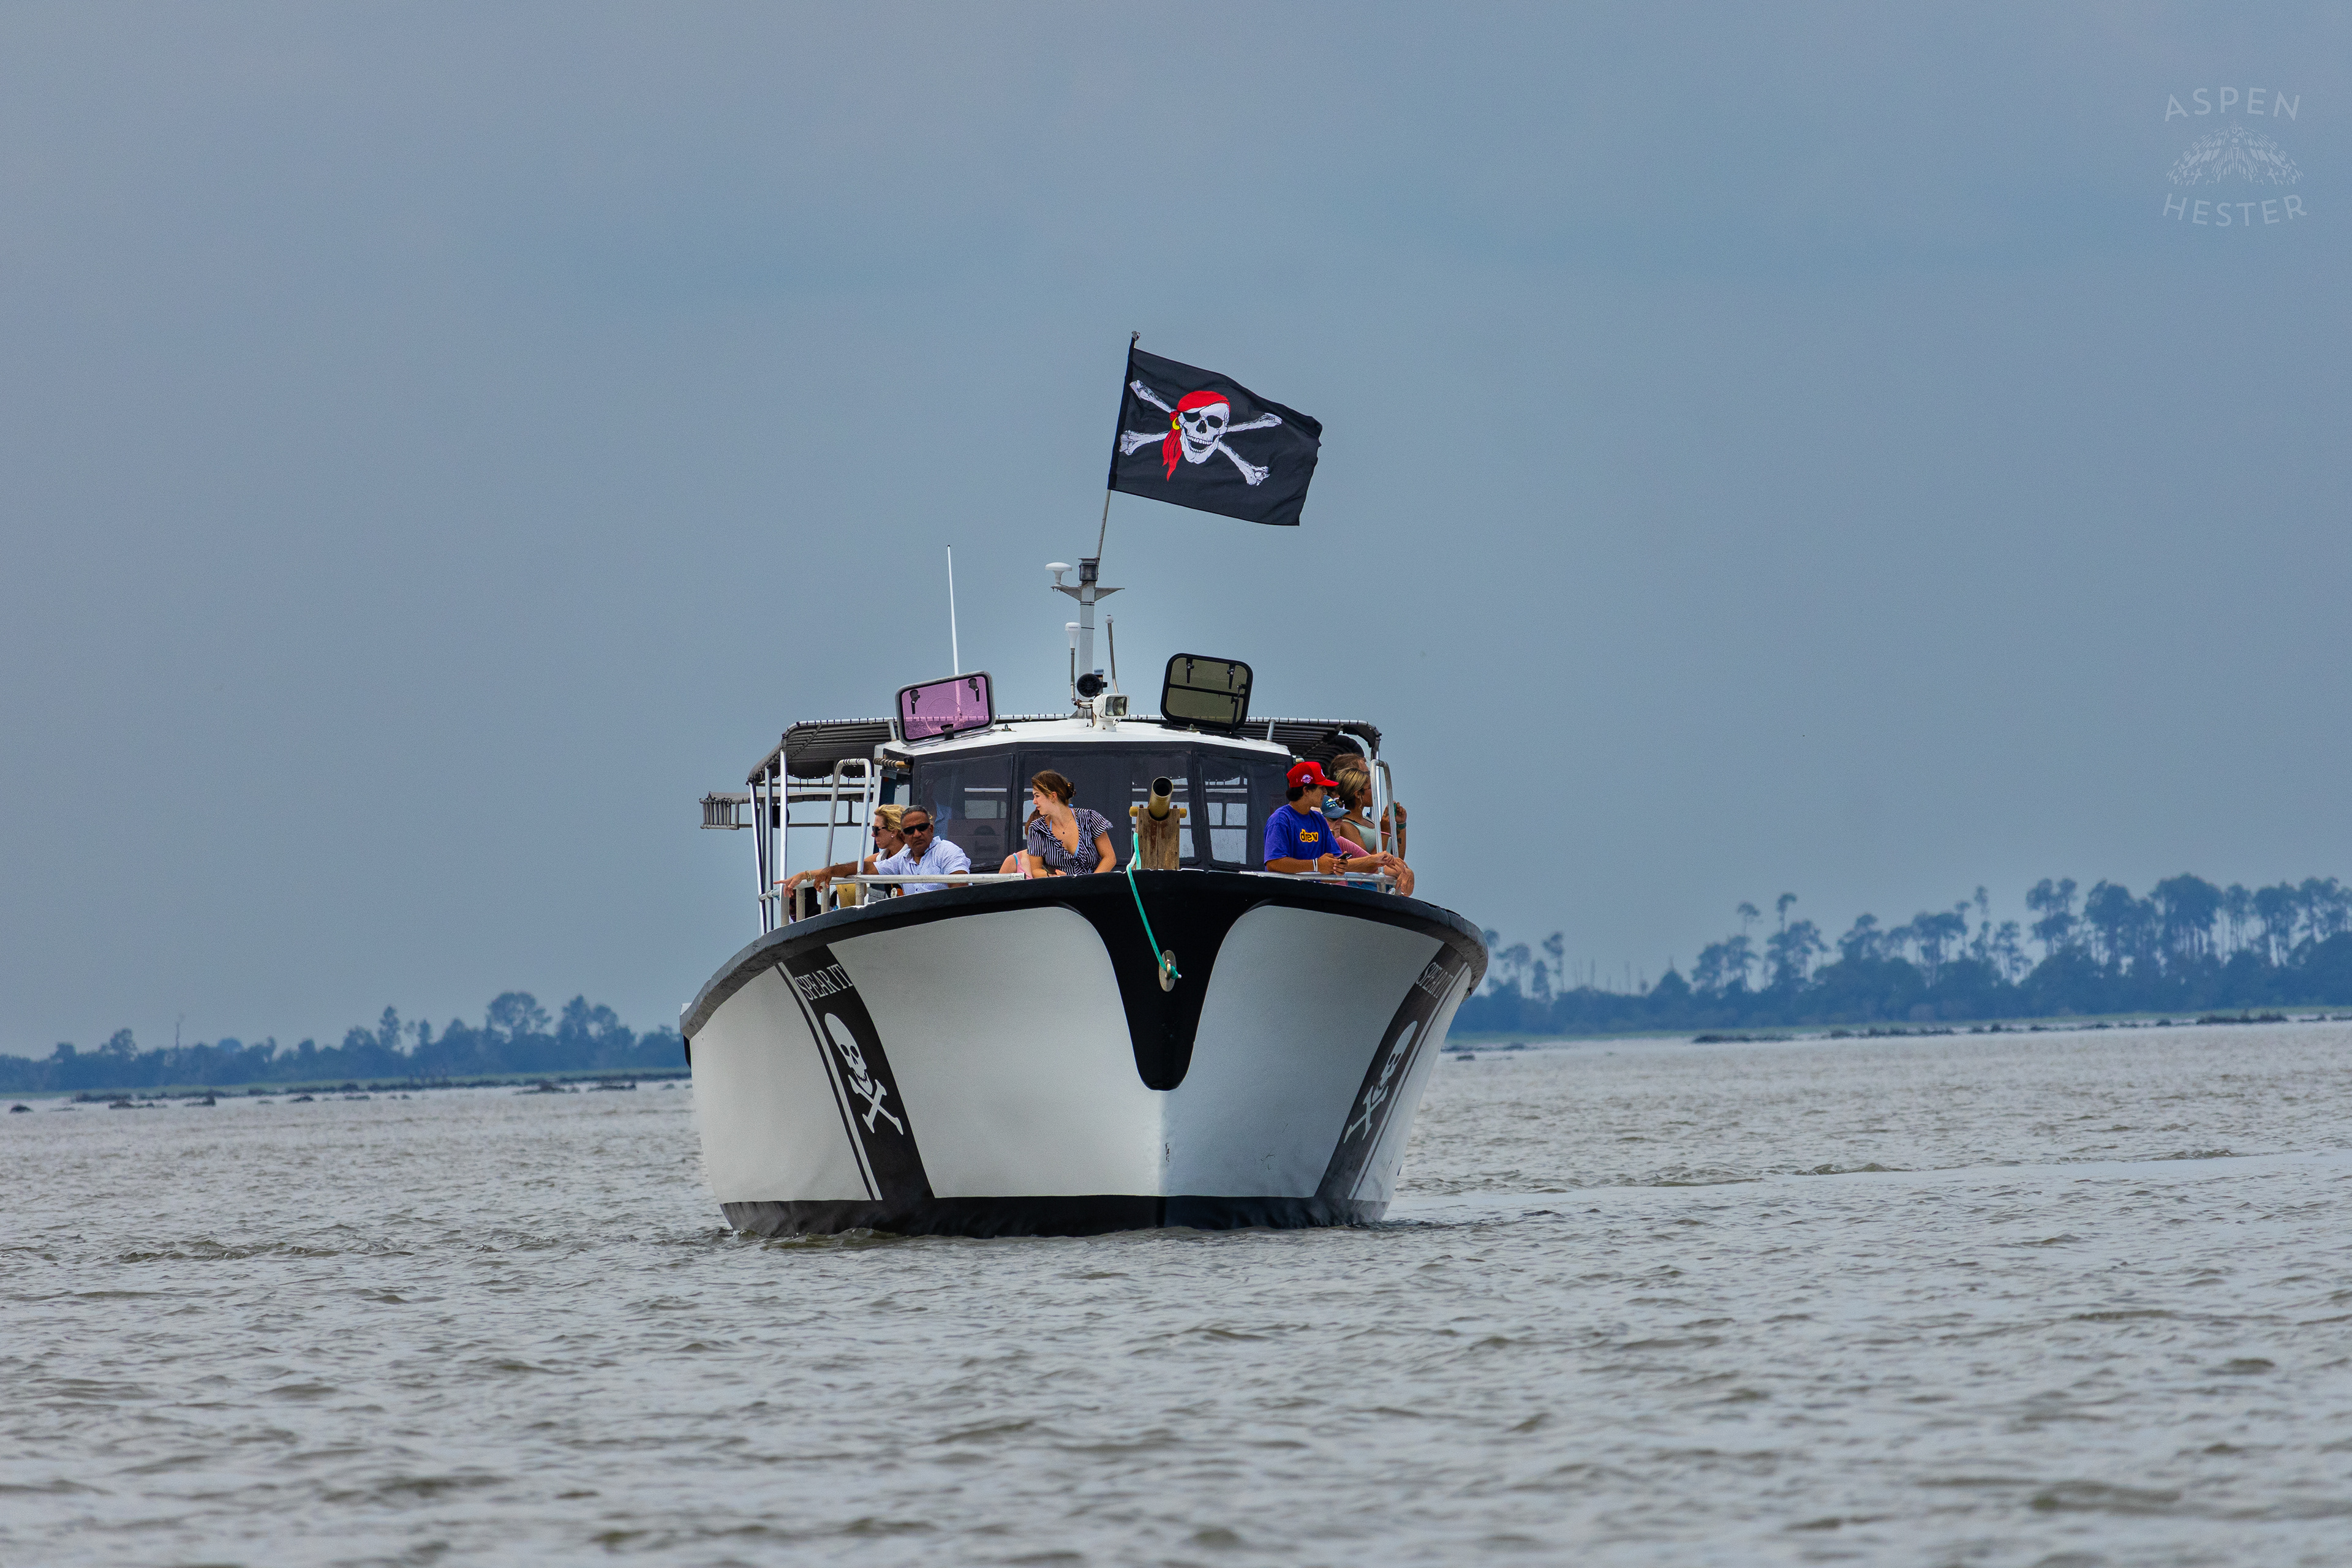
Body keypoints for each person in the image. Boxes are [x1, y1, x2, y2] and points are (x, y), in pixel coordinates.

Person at [1264, 760, 1408, 886]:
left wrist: (1341, 865)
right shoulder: (1280, 820)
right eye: (1321, 788)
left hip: (1315, 898)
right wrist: (1316, 865)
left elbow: (1334, 863)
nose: (1325, 792)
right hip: (1290, 899)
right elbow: (1274, 863)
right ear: (1306, 790)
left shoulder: (1319, 819)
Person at [781, 805, 903, 904]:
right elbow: (853, 869)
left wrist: (829, 872)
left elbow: (864, 868)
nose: (873, 835)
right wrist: (803, 875)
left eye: (876, 830)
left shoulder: (913, 856)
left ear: (893, 831)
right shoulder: (884, 857)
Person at [1327, 760, 1415, 897]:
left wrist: (1400, 826)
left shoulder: (1369, 822)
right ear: (1358, 794)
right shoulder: (1347, 826)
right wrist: (1384, 831)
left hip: (1384, 890)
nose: (1375, 791)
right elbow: (1369, 863)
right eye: (1370, 788)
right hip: (1367, 893)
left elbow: (1397, 857)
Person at [1020, 770, 1118, 876]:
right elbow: (1036, 870)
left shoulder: (1090, 818)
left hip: (1095, 889)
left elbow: (1110, 858)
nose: (1034, 801)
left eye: (1037, 796)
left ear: (1053, 796)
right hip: (1060, 891)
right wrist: (1052, 877)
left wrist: (1091, 883)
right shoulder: (1036, 829)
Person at [874, 806, 971, 894]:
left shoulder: (947, 851)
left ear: (931, 830)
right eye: (910, 831)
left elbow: (960, 892)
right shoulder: (902, 859)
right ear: (903, 837)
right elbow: (868, 869)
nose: (917, 834)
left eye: (922, 828)